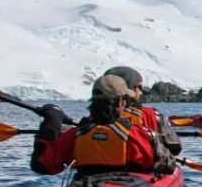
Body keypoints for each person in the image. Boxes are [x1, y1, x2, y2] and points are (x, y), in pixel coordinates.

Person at [30, 75, 176, 176]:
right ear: (120, 102)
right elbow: (168, 166)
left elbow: (40, 165)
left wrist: (50, 124)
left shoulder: (74, 135)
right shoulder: (138, 135)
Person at [103, 66, 181, 155]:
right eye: (139, 87)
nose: (141, 92)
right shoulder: (151, 115)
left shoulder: (91, 121)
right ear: (130, 89)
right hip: (141, 166)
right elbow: (175, 148)